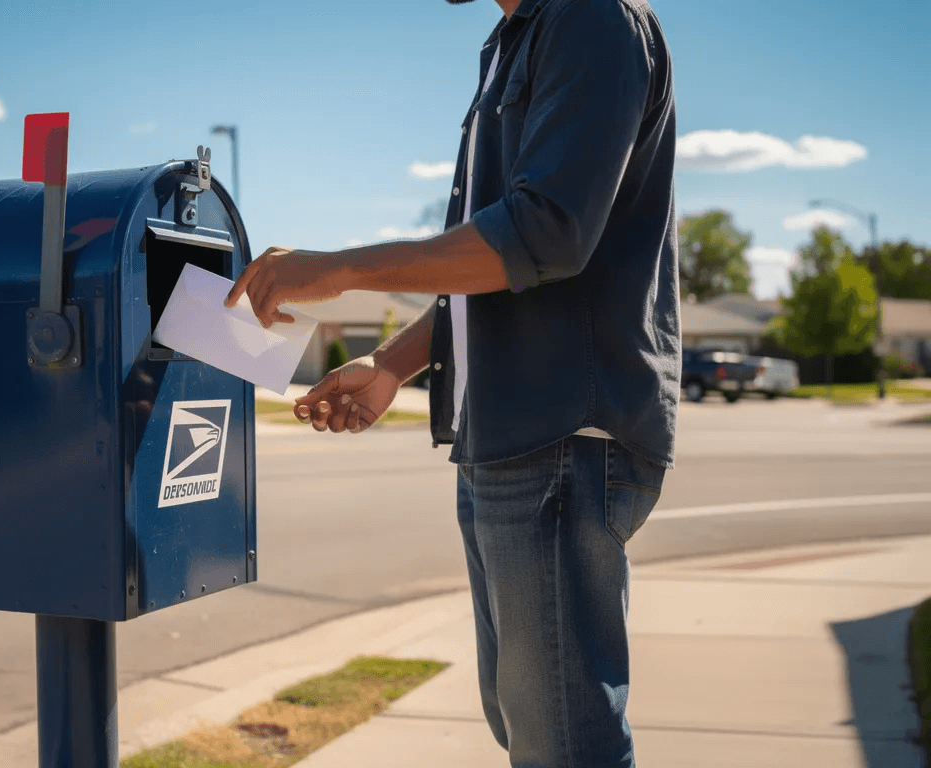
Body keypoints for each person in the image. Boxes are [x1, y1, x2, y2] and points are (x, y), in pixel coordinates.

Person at [223, 0, 678, 764]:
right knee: (528, 730)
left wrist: (340, 267)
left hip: (562, 436)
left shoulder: (589, 17)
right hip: (505, 436)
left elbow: (547, 233)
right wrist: (394, 364)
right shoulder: (516, 38)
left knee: (564, 744)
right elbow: (496, 266)